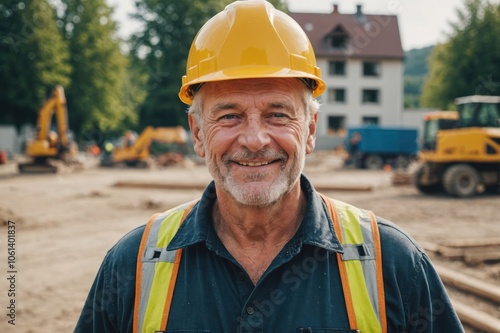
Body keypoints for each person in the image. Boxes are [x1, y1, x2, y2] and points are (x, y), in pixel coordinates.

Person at [75, 1, 464, 332]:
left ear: (310, 130)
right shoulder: (133, 266)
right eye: (229, 116)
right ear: (197, 132)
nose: (255, 139)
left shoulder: (392, 264)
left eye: (278, 114)